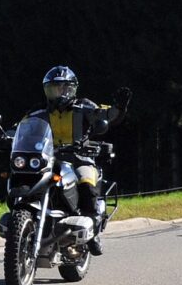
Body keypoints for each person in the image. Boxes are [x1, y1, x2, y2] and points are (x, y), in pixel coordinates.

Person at [27, 65, 117, 235]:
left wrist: (118, 108)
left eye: (65, 88)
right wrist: (6, 137)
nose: (60, 93)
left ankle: (92, 229)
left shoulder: (83, 107)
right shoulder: (39, 111)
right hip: (48, 159)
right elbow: (21, 127)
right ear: (47, 90)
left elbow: (104, 114)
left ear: (73, 89)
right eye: (55, 88)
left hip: (79, 157)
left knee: (86, 181)